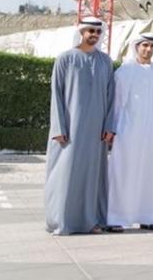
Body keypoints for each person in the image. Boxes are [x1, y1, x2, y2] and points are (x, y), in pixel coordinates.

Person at [45, 17, 116, 235]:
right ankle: (61, 221)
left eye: (97, 31)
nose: (94, 34)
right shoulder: (65, 59)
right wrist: (59, 128)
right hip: (69, 131)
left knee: (93, 177)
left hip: (96, 132)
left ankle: (91, 221)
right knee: (65, 175)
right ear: (81, 32)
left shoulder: (105, 61)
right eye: (90, 30)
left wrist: (109, 126)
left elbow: (111, 96)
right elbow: (56, 95)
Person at [107, 33, 153, 232]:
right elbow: (116, 103)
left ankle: (148, 217)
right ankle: (116, 218)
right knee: (123, 173)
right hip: (127, 131)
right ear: (137, 47)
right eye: (145, 45)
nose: (148, 49)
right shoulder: (124, 72)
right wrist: (114, 129)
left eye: (152, 46)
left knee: (150, 173)